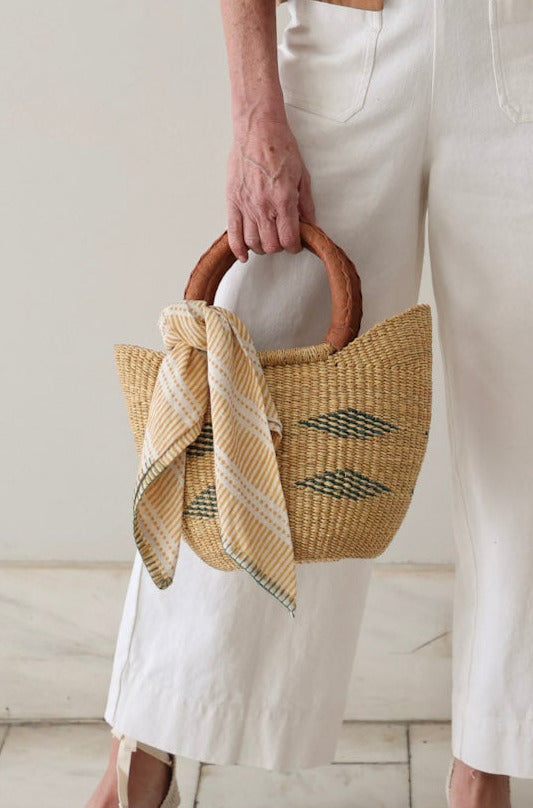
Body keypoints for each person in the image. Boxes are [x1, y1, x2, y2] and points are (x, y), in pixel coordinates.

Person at [85, 0, 533, 806]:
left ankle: (487, 764)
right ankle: (148, 745)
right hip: (345, 47)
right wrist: (254, 116)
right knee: (246, 398)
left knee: (524, 427)